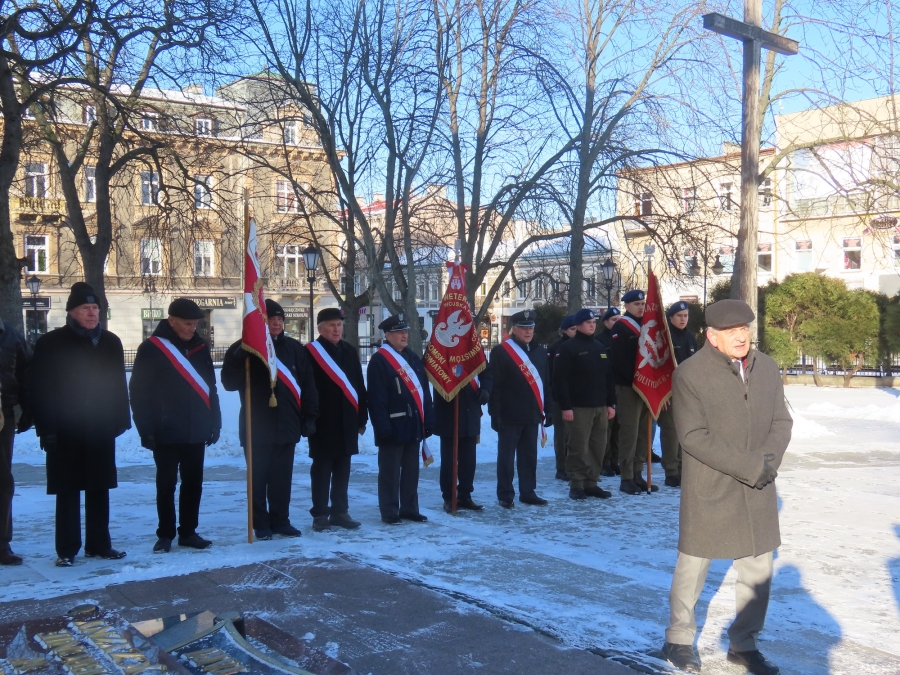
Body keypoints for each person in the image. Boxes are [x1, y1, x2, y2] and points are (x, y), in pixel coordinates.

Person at [662, 299, 792, 675]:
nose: (740, 336)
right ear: (712, 336)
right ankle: (678, 640)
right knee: (693, 566)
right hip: (711, 485)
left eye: (744, 329)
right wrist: (752, 466)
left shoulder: (767, 367)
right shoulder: (690, 373)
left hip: (758, 486)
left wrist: (766, 463)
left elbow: (782, 422)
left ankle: (744, 644)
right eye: (731, 331)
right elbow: (693, 436)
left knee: (757, 571)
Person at [26, 282, 131, 567]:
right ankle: (67, 549)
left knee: (99, 487)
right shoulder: (51, 343)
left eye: (95, 307)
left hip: (100, 426)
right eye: (86, 308)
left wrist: (121, 419)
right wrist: (46, 429)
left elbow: (118, 385)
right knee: (67, 490)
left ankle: (99, 544)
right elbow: (41, 389)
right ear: (71, 311)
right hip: (65, 429)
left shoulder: (110, 342)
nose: (92, 313)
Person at [221, 299, 319, 540]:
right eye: (270, 319)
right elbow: (229, 383)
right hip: (256, 425)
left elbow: (308, 385)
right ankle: (260, 523)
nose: (276, 323)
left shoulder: (295, 349)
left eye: (279, 319)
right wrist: (239, 356)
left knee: (281, 479)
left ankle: (281, 520)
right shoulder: (243, 349)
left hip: (287, 423)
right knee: (257, 479)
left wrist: (309, 417)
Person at [130, 298, 222, 553]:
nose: (192, 328)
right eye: (187, 324)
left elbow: (210, 387)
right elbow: (138, 391)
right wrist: (146, 428)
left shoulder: (200, 348)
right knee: (166, 484)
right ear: (171, 321)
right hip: (165, 429)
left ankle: (188, 532)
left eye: (195, 324)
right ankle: (166, 533)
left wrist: (215, 422)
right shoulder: (152, 348)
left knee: (193, 483)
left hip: (196, 428)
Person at [367, 312, 435, 524]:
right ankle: (389, 511)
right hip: (393, 425)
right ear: (388, 335)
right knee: (390, 472)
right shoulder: (379, 361)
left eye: (405, 331)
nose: (404, 335)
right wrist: (382, 429)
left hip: (413, 423)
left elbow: (424, 392)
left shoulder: (412, 358)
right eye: (399, 332)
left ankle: (409, 508)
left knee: (411, 471)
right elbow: (376, 400)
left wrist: (428, 419)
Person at [305, 307, 368, 532]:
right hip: (323, 421)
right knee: (322, 469)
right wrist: (309, 417)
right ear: (320, 328)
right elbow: (307, 388)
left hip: (347, 420)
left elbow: (359, 385)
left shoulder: (349, 351)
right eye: (331, 325)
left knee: (343, 468)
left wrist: (362, 416)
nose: (336, 329)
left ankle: (340, 511)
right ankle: (320, 514)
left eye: (339, 325)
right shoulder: (311, 353)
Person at [488, 310, 551, 508]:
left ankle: (528, 492)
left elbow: (546, 383)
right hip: (509, 414)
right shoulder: (501, 352)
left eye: (531, 327)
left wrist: (548, 409)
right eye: (523, 328)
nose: (528, 331)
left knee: (529, 456)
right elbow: (495, 385)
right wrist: (495, 413)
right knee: (506, 458)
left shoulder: (540, 352)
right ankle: (505, 494)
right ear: (514, 330)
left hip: (532, 414)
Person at [553, 308, 616, 501]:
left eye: (594, 322)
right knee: (578, 446)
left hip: (599, 406)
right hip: (578, 407)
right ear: (578, 325)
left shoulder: (599, 347)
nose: (592, 325)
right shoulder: (568, 348)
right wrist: (566, 406)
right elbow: (560, 379)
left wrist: (610, 403)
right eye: (588, 322)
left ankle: (591, 482)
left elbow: (608, 378)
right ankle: (577, 483)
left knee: (598, 445)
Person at [609, 289, 657, 495]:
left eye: (643, 303)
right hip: (628, 386)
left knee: (643, 432)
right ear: (627, 306)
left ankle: (638, 472)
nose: (641, 307)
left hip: (646, 386)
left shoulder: (647, 325)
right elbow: (618, 359)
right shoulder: (621, 326)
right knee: (629, 432)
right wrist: (636, 380)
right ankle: (626, 476)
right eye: (636, 304)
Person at [435, 367, 492, 513]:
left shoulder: (474, 351)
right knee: (449, 461)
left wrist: (485, 388)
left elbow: (486, 371)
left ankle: (465, 495)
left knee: (468, 460)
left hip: (470, 411)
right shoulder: (440, 350)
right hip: (449, 411)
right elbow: (432, 370)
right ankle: (449, 497)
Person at [657, 301, 698, 488]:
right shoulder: (665, 337)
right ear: (671, 317)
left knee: (686, 431)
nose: (683, 319)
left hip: (687, 392)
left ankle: (683, 468)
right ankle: (671, 471)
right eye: (679, 316)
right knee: (671, 433)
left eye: (685, 316)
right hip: (670, 392)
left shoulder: (690, 337)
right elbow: (658, 367)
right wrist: (662, 393)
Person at [0, 318, 30, 566]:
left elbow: (27, 374)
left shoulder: (11, 336)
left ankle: (1, 543)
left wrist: (27, 410)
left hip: (2, 415)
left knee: (2, 480)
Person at [547, 315, 576, 480]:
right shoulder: (556, 348)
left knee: (577, 435)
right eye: (572, 329)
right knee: (562, 434)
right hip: (559, 398)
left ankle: (575, 466)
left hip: (578, 397)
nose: (576, 331)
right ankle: (562, 467)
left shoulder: (580, 344)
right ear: (564, 330)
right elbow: (552, 375)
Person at [596, 307, 620, 477]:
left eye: (619, 319)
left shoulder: (622, 337)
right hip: (606, 387)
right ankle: (604, 462)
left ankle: (614, 460)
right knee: (606, 428)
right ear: (605, 322)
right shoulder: (599, 341)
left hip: (621, 385)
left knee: (618, 427)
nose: (617, 323)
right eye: (614, 320)